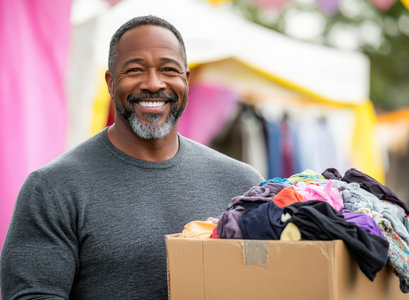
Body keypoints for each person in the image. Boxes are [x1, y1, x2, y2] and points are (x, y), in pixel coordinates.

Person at [0, 15, 264, 299]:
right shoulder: (54, 189)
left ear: (185, 81)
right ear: (111, 83)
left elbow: (267, 279)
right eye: (136, 70)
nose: (153, 83)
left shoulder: (244, 185)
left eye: (168, 69)